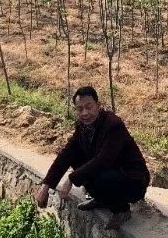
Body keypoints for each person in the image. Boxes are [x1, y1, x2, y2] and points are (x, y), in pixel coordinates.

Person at [34, 86, 150, 230]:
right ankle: (102, 199)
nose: (85, 113)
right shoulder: (82, 126)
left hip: (133, 181)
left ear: (98, 105)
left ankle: (121, 210)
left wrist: (71, 179)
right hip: (113, 172)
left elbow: (104, 160)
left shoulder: (113, 125)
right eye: (80, 109)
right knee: (76, 159)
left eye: (89, 107)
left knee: (100, 176)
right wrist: (46, 185)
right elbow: (66, 154)